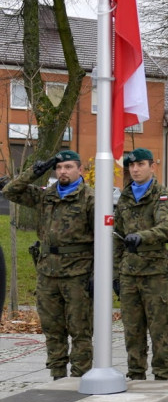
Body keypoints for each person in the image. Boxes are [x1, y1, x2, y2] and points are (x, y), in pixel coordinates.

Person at [3, 150, 94, 379]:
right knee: (52, 329)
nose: (63, 171)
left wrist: (98, 274)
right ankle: (57, 376)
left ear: (79, 170)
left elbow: (103, 239)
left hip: (78, 273)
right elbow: (10, 190)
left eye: (69, 167)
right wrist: (36, 171)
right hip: (47, 272)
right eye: (59, 168)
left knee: (80, 329)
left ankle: (80, 377)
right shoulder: (47, 195)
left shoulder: (90, 199)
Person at [114, 148, 168, 381]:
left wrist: (142, 236)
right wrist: (114, 274)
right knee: (132, 328)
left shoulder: (163, 195)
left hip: (155, 272)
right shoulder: (125, 196)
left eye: (140, 164)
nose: (135, 169)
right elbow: (117, 236)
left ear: (152, 166)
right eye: (131, 166)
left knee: (158, 327)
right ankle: (135, 372)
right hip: (129, 272)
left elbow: (167, 229)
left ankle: (162, 374)